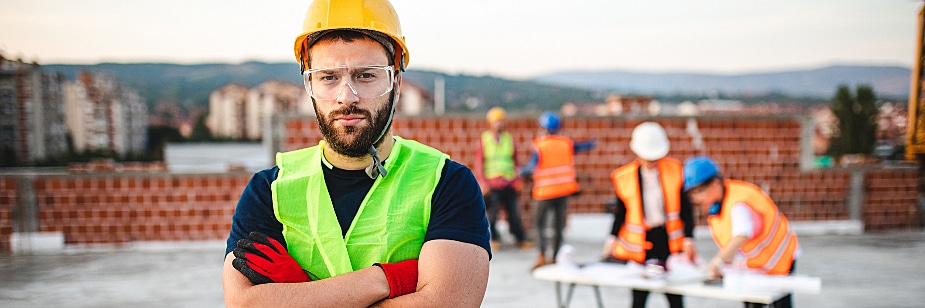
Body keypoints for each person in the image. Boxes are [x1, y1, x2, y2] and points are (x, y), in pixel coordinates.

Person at [221, 1, 491, 307]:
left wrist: (300, 294)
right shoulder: (269, 190)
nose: (346, 96)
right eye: (328, 77)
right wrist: (389, 280)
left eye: (365, 76)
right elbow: (244, 304)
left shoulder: (446, 183)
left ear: (396, 84)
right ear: (309, 84)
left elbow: (447, 304)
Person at [683, 155, 800, 308]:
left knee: (779, 303)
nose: (697, 198)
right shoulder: (717, 206)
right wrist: (726, 267)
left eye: (699, 190)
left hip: (779, 257)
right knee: (752, 301)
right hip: (756, 266)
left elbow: (742, 234)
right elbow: (737, 247)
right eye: (692, 193)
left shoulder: (738, 203)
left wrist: (717, 263)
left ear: (716, 182)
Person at [602, 122, 696, 308]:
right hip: (642, 243)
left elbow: (686, 208)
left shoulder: (675, 170)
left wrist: (689, 237)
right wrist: (612, 237)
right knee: (639, 294)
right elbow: (621, 211)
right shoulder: (625, 177)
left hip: (668, 240)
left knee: (674, 293)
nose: (651, 161)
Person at [521, 111, 595, 270]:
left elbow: (530, 166)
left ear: (543, 127)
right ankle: (555, 257)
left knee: (539, 225)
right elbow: (582, 146)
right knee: (558, 226)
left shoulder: (539, 145)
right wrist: (593, 142)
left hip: (544, 192)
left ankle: (541, 255)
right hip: (562, 191)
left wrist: (519, 172)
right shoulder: (566, 143)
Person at [474, 106, 532, 251]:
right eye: (496, 121)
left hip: (509, 182)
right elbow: (479, 162)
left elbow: (515, 160)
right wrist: (482, 181)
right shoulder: (485, 139)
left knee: (514, 213)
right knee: (492, 215)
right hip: (493, 184)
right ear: (490, 123)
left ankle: (520, 238)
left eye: (501, 121)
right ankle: (494, 239)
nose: (499, 124)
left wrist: (517, 179)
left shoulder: (509, 138)